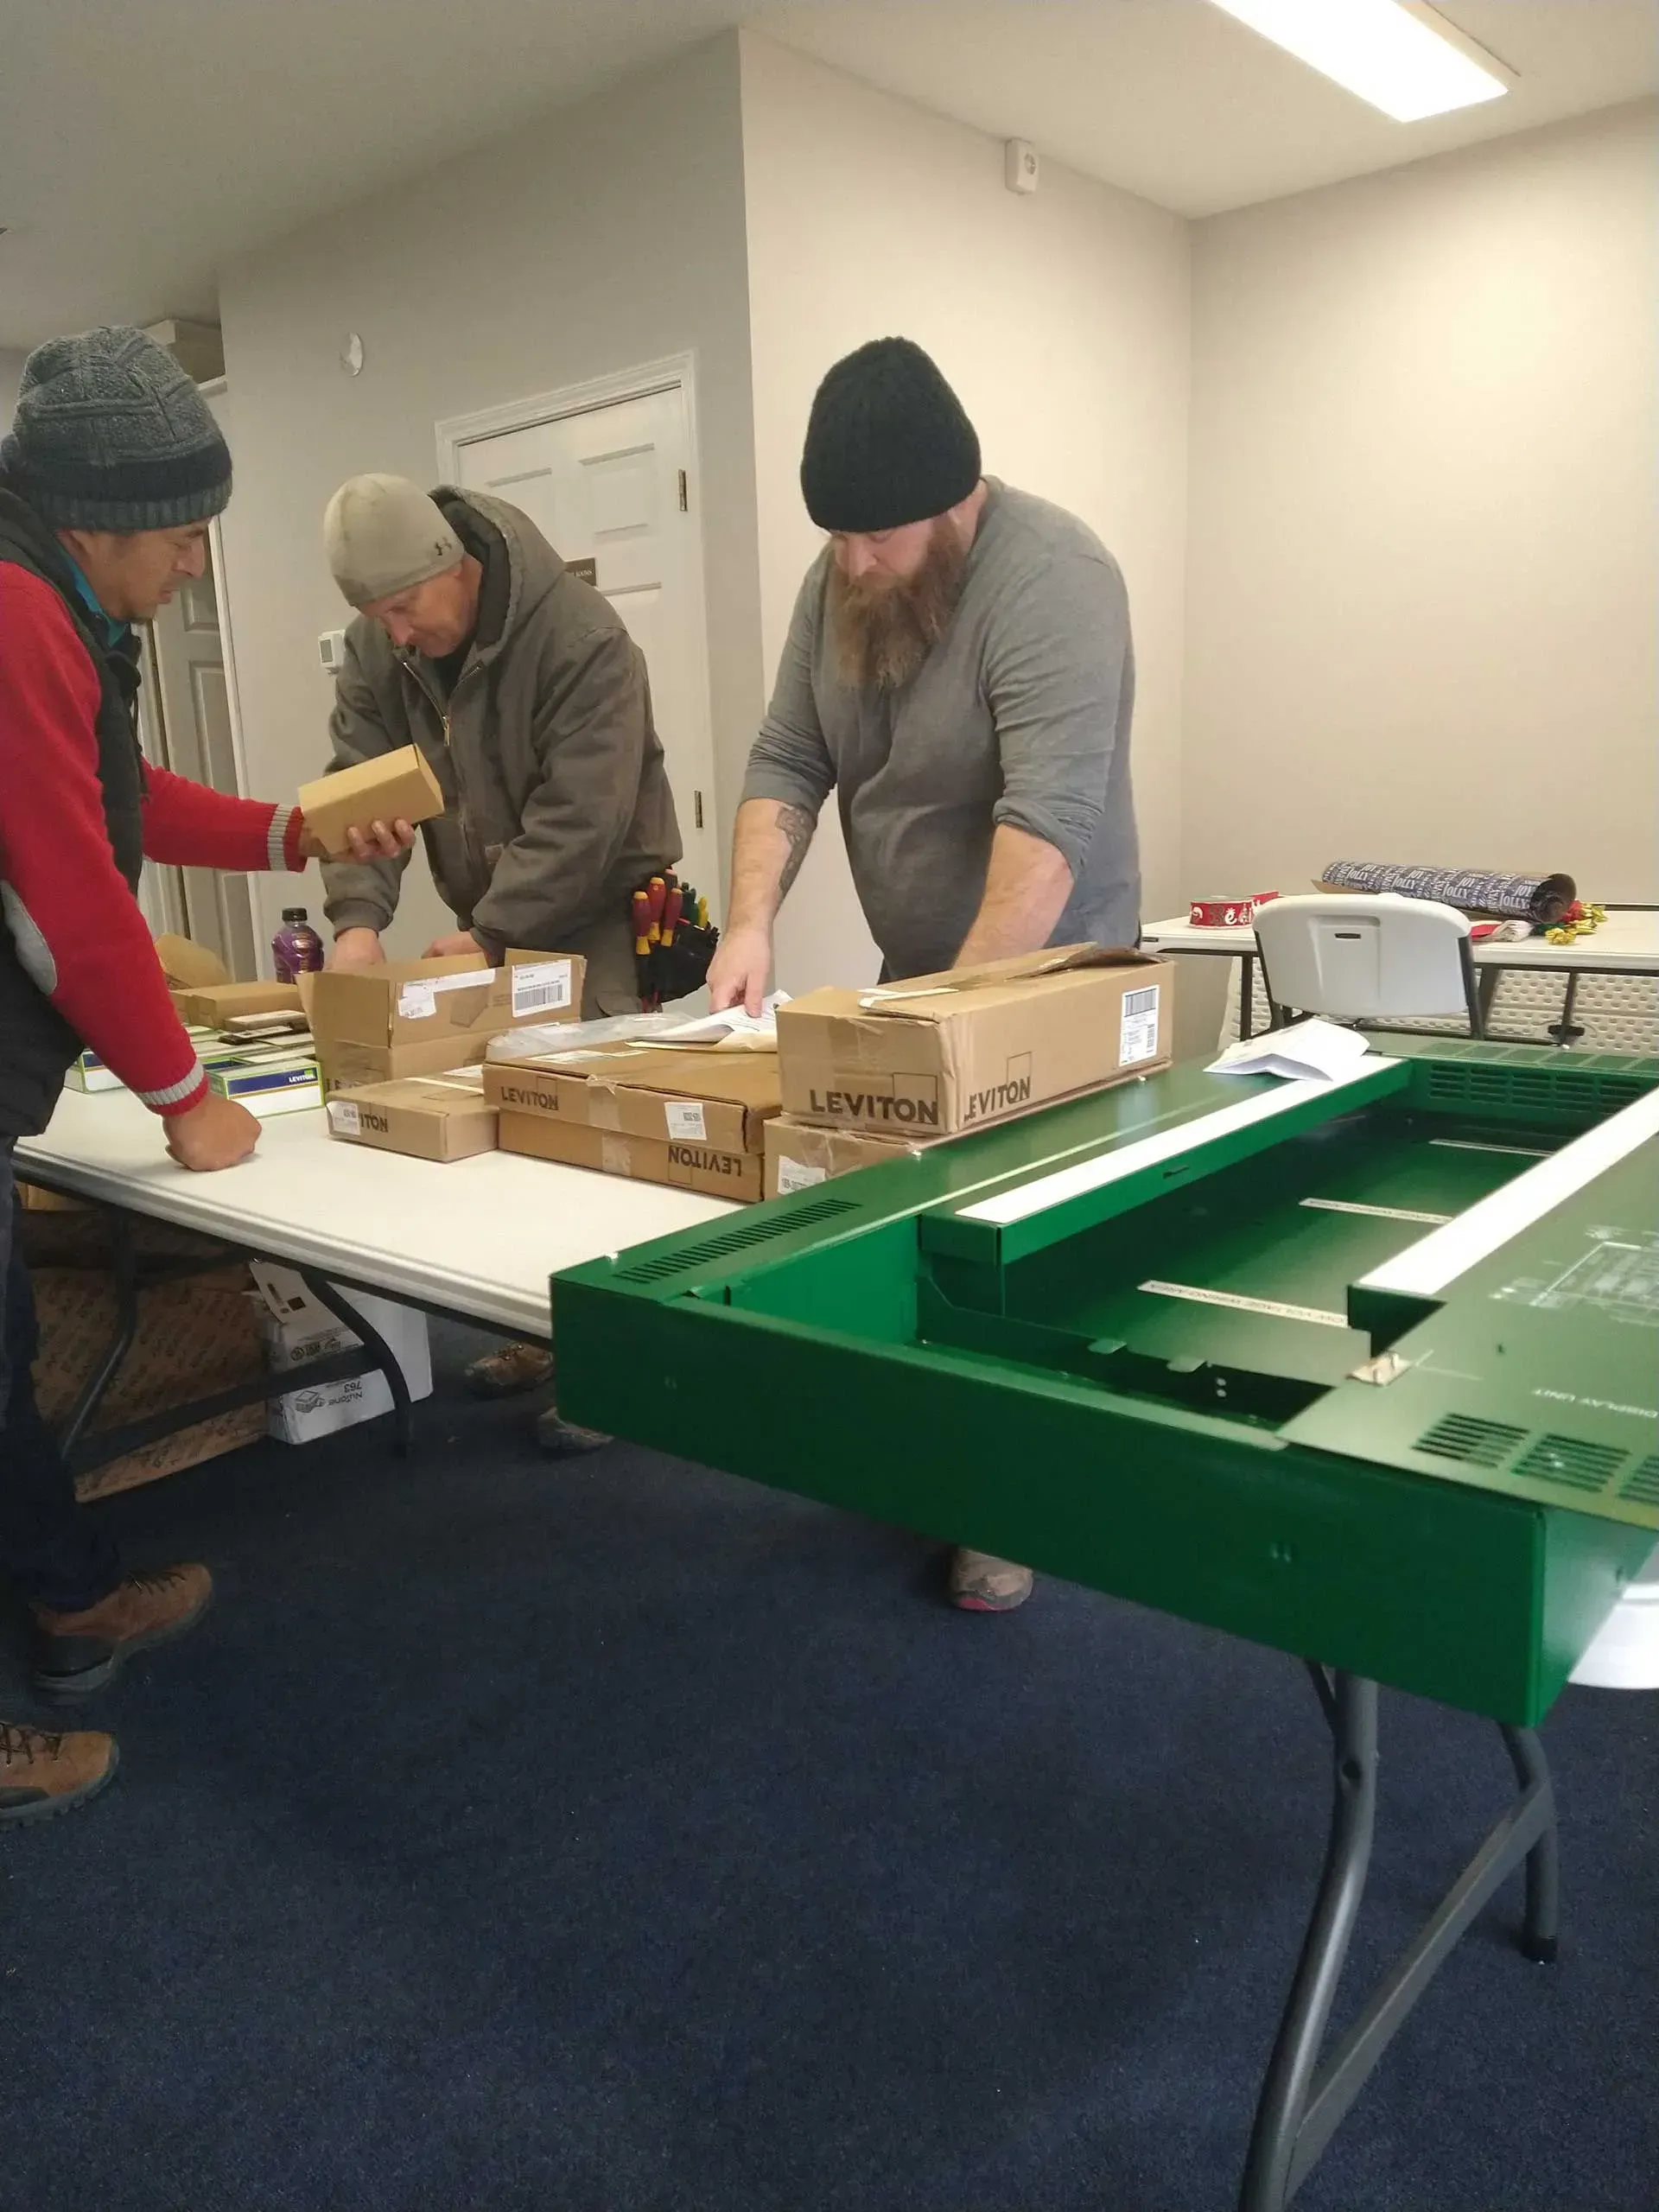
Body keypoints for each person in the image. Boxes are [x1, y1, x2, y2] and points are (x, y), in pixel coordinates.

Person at [0, 326, 408, 1824]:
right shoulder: (12, 612)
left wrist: (289, 831)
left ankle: (70, 1599)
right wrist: (187, 1096)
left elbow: (114, 798)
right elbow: (63, 902)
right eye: (181, 536)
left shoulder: (54, 600)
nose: (194, 564)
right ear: (98, 518)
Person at [709, 337, 1141, 1616]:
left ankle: (1011, 1502)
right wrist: (748, 926)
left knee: (1019, 1247)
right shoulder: (843, 578)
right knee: (927, 1232)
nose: (851, 562)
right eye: (835, 536)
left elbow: (1047, 827)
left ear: (957, 501)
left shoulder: (1055, 579)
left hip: (1055, 980)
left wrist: (953, 1020)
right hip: (920, 971)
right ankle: (944, 1453)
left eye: (877, 537)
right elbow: (788, 757)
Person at [315, 474, 681, 1425]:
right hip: (493, 916)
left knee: (606, 1145)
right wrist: (357, 922)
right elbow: (364, 789)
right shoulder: (381, 644)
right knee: (515, 1139)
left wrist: (488, 933)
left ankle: (621, 1370)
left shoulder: (582, 638)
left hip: (618, 910)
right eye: (375, 616)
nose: (395, 634)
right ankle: (544, 1327)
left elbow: (584, 819)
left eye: (405, 608)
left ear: (456, 565)